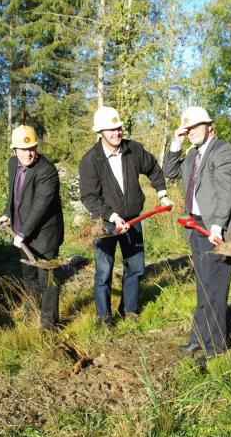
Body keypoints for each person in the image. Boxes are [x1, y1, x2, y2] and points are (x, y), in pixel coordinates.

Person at [163, 106, 231, 357]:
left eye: (195, 127)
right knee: (203, 286)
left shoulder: (224, 151)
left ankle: (217, 346)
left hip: (218, 229)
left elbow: (227, 192)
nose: (190, 132)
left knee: (216, 288)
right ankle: (198, 338)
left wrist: (216, 227)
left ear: (209, 126)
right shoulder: (192, 154)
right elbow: (170, 172)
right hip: (196, 226)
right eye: (187, 128)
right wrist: (176, 144)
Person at [79, 106, 173, 325]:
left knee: (136, 268)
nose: (116, 133)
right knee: (104, 271)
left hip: (134, 220)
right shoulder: (90, 160)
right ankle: (104, 316)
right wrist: (112, 216)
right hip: (106, 224)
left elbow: (154, 169)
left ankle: (129, 309)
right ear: (100, 132)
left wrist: (162, 194)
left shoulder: (134, 150)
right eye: (110, 129)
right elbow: (89, 197)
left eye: (118, 128)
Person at [0, 125, 64, 330]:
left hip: (45, 235)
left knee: (48, 280)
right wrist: (7, 214)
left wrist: (23, 233)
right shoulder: (12, 164)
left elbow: (41, 205)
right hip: (21, 232)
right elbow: (13, 195)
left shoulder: (47, 170)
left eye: (32, 148)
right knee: (29, 276)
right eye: (23, 149)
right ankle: (31, 310)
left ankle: (49, 326)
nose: (28, 153)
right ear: (14, 150)